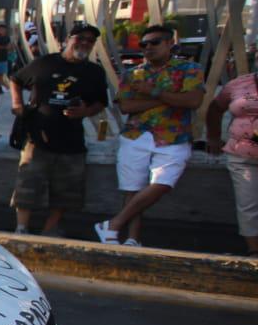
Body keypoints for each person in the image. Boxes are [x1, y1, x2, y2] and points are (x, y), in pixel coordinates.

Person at [95, 25, 206, 246]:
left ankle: (114, 224)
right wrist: (167, 98)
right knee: (132, 188)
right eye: (144, 44)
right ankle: (132, 239)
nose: (148, 48)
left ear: (169, 44)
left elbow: (193, 101)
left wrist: (152, 92)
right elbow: (126, 106)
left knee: (163, 183)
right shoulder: (133, 73)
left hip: (173, 136)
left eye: (154, 43)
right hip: (136, 135)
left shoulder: (188, 69)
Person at [9, 22, 109, 236]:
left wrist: (85, 111)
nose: (84, 43)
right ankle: (21, 228)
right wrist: (17, 104)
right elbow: (15, 79)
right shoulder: (45, 63)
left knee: (67, 192)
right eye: (79, 38)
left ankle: (49, 230)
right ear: (68, 40)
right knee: (27, 185)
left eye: (89, 41)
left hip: (71, 140)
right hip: (37, 137)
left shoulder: (94, 72)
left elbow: (101, 102)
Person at [208, 61, 258, 255]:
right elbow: (215, 108)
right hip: (242, 155)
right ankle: (254, 252)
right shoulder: (238, 84)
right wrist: (213, 137)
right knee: (248, 204)